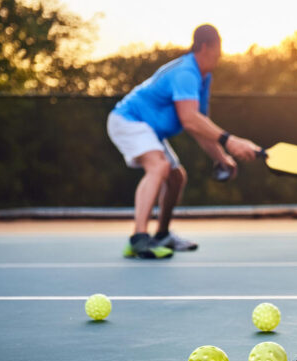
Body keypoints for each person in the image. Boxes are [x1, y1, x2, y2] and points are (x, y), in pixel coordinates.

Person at [107, 24, 260, 259]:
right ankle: (139, 238)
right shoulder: (187, 73)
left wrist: (221, 157)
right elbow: (189, 120)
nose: (218, 59)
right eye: (217, 52)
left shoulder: (202, 77)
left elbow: (200, 126)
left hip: (149, 129)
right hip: (128, 120)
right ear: (205, 47)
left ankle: (162, 235)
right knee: (158, 166)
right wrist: (231, 141)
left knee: (176, 177)